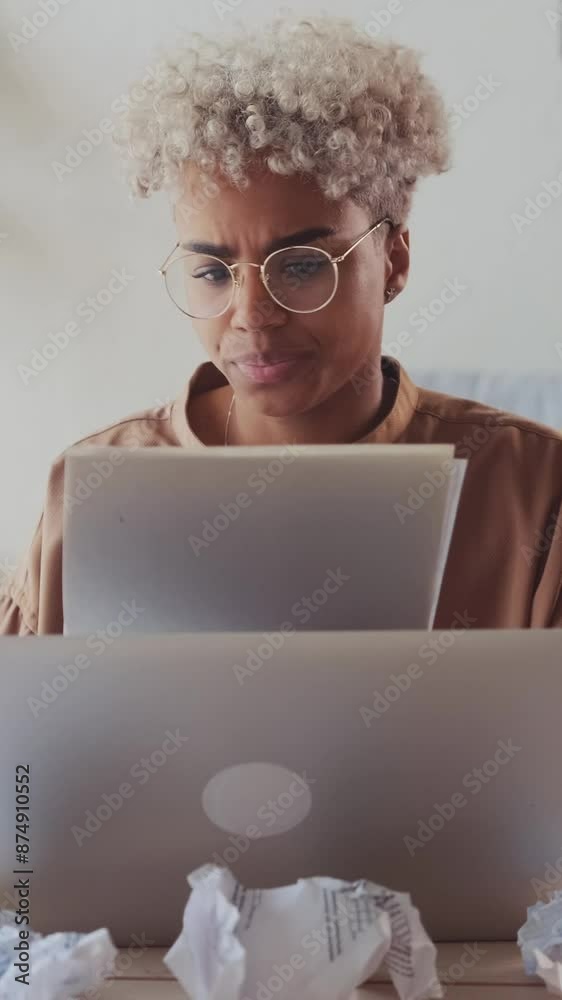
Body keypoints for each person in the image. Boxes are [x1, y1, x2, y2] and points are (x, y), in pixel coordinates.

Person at [1, 13, 560, 635]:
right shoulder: (95, 490)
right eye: (213, 272)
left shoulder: (530, 489)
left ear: (393, 260)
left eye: (299, 266)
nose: (251, 315)